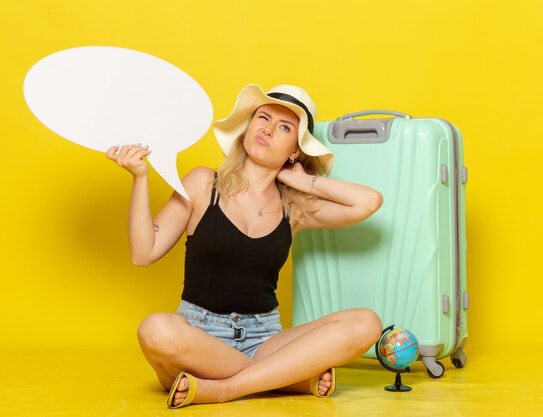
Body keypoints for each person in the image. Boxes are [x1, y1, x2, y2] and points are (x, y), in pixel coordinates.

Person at [106, 84, 384, 408]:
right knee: (156, 330)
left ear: (295, 151)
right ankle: (286, 379)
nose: (267, 129)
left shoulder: (295, 208)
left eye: (284, 127)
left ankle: (226, 389)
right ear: (247, 128)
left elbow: (368, 202)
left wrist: (300, 180)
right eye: (262, 118)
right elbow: (143, 253)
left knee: (366, 323)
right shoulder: (203, 184)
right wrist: (139, 178)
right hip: (197, 338)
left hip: (263, 339)